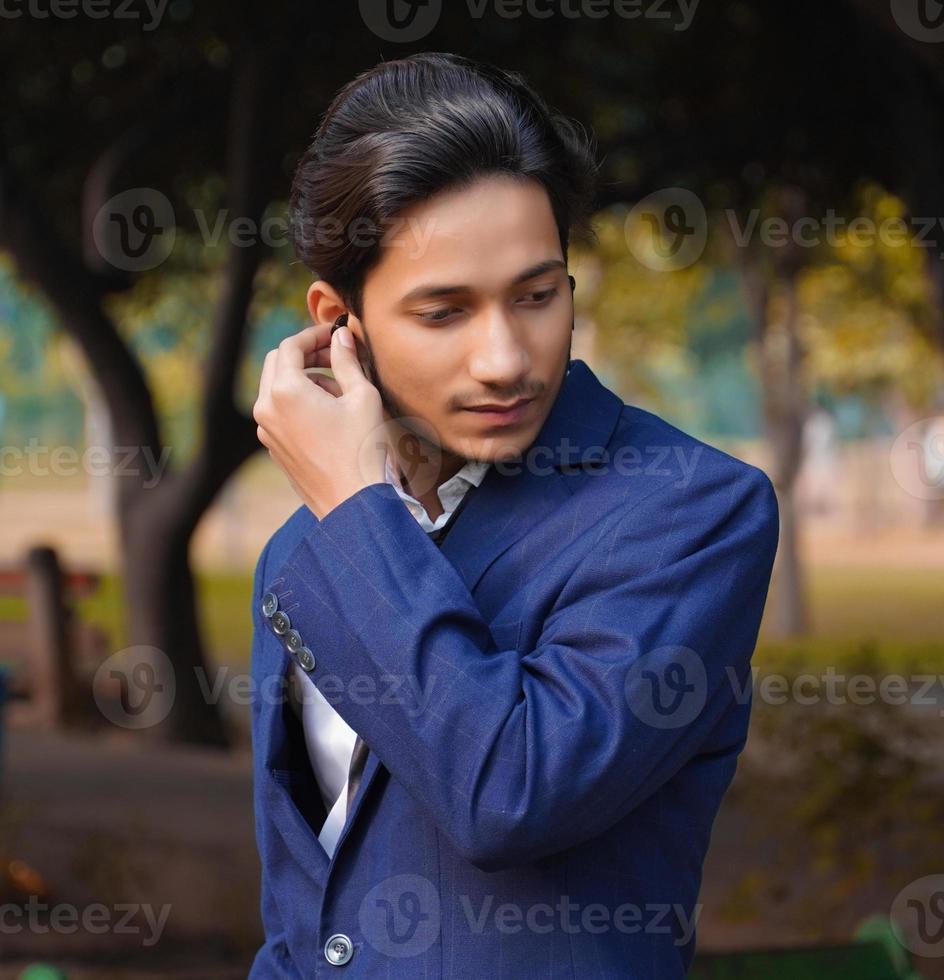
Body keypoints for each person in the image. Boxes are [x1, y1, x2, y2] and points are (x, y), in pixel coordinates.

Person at [249, 51, 779, 978]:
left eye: (536, 296)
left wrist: (354, 508)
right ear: (339, 321)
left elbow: (510, 790)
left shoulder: (690, 513)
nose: (505, 358)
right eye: (444, 312)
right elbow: (306, 905)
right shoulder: (306, 550)